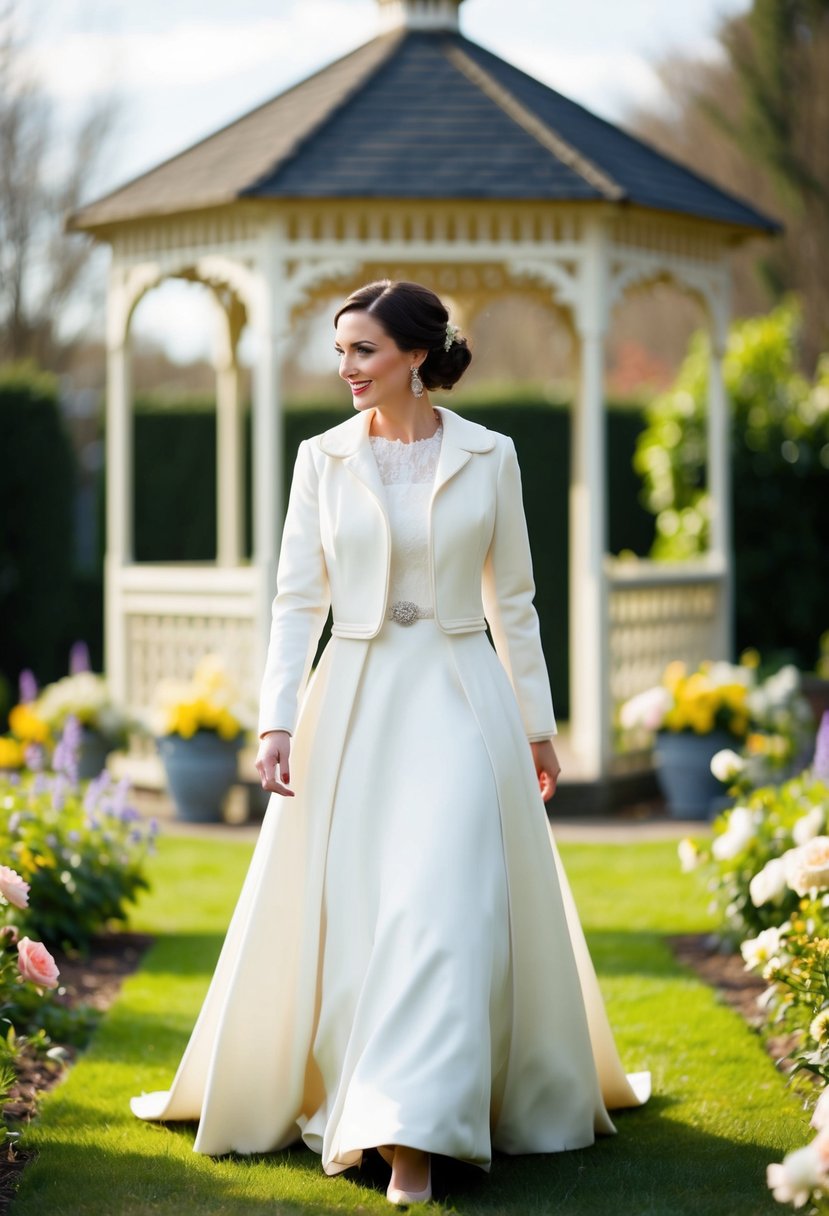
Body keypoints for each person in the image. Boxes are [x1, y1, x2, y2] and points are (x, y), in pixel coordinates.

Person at [131, 279, 649, 1206]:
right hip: (356, 703)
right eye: (339, 352)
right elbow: (297, 600)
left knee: (440, 902)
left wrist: (537, 725)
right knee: (372, 914)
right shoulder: (319, 459)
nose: (345, 369)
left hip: (461, 698)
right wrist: (276, 718)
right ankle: (370, 1104)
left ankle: (412, 1136)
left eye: (361, 351)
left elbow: (516, 603)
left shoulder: (493, 456)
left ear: (415, 355)